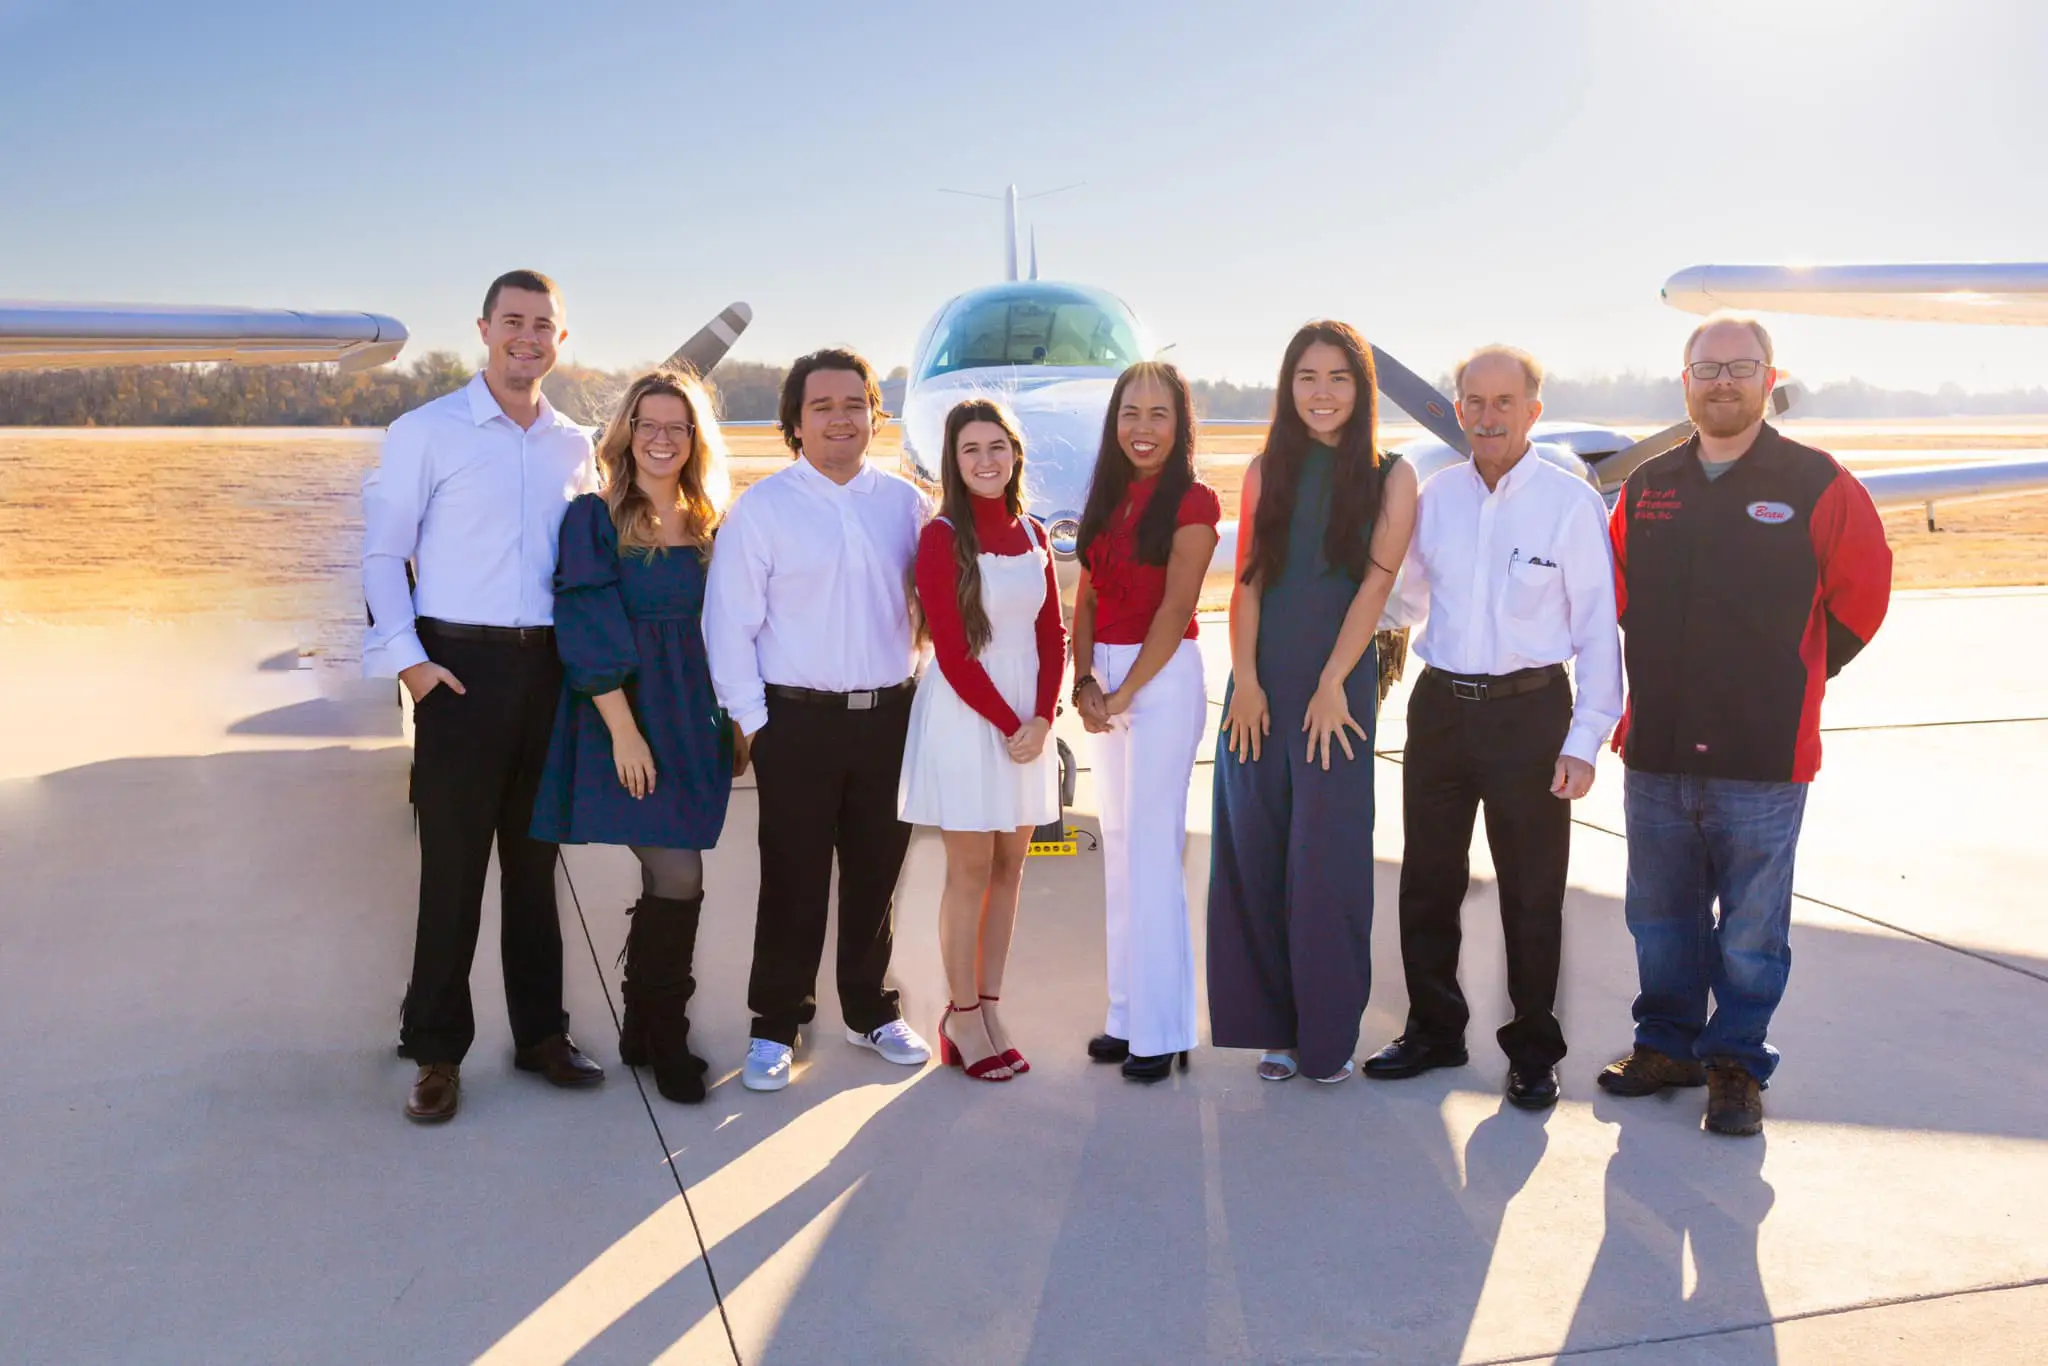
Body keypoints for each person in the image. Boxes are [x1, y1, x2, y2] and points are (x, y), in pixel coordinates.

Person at [1601, 313, 1891, 1136]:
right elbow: (1612, 599)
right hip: (1656, 746)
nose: (1722, 380)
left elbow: (1862, 597)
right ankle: (1665, 1044)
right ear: (1683, 381)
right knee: (1660, 916)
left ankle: (1735, 1064)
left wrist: (1790, 675)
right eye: (1706, 367)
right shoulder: (1648, 487)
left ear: (1770, 378)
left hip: (1765, 752)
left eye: (1740, 366)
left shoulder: (1818, 481)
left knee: (1754, 929)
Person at [362, 269, 604, 1124]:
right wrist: (412, 666)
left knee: (536, 873)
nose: (527, 337)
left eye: (543, 324)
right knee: (453, 874)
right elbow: (384, 556)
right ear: (483, 329)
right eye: (513, 322)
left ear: (560, 340)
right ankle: (434, 1050)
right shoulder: (424, 432)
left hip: (549, 676)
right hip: (457, 673)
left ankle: (541, 1036)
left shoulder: (578, 446)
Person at [1361, 345, 1621, 1109]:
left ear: (1533, 412)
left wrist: (1584, 742)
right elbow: (1400, 600)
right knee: (1427, 885)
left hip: (1531, 717)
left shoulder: (1571, 505)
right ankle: (1435, 1031)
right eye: (1473, 401)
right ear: (1458, 408)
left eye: (1504, 402)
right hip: (1441, 711)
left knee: (1532, 897)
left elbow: (1601, 632)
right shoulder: (1434, 497)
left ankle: (1534, 1051)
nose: (1486, 416)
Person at [703, 348, 933, 1092]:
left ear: (875, 415)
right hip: (794, 725)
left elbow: (931, 614)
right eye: (821, 407)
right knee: (793, 881)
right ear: (795, 424)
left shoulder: (904, 505)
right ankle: (775, 1024)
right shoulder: (763, 508)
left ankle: (869, 1011)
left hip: (888, 717)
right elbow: (727, 625)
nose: (839, 418)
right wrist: (755, 725)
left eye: (852, 404)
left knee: (876, 877)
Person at [1209, 321, 1419, 1086]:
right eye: (1307, 377)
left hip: (1339, 687)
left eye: (1338, 378)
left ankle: (1326, 1037)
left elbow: (1375, 585)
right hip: (1257, 687)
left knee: (1325, 862)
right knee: (1257, 854)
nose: (1322, 393)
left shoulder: (1393, 476)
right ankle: (1274, 1030)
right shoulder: (1268, 469)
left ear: (1361, 389)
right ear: (1287, 386)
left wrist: (1335, 681)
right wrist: (1246, 680)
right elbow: (1249, 583)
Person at [529, 370, 738, 1105]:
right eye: (647, 424)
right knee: (680, 872)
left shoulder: (712, 522)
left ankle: (644, 1030)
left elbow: (732, 629)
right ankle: (667, 1032)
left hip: (692, 719)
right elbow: (585, 629)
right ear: (624, 434)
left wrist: (737, 720)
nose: (660, 438)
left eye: (676, 426)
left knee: (668, 877)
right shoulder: (595, 517)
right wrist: (624, 734)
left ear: (693, 439)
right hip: (623, 716)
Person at [899, 399, 1065, 1082]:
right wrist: (1009, 725)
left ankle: (991, 1008)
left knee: (1009, 870)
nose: (987, 460)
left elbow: (1051, 634)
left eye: (998, 446)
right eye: (972, 450)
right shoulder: (941, 537)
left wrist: (1044, 719)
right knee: (970, 871)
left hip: (1030, 720)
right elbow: (953, 650)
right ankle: (960, 1015)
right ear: (954, 460)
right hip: (972, 719)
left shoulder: (1032, 532)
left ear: (1015, 454)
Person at [1070, 361, 1220, 1082]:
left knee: (1155, 850)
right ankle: (1127, 1014)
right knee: (1122, 844)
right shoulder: (1105, 495)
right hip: (1110, 679)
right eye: (1131, 413)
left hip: (1160, 683)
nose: (1143, 428)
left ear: (1180, 424)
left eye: (1159, 414)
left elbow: (1176, 609)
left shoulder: (1194, 501)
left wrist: (1124, 690)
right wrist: (1084, 680)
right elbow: (1088, 600)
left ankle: (1163, 1032)